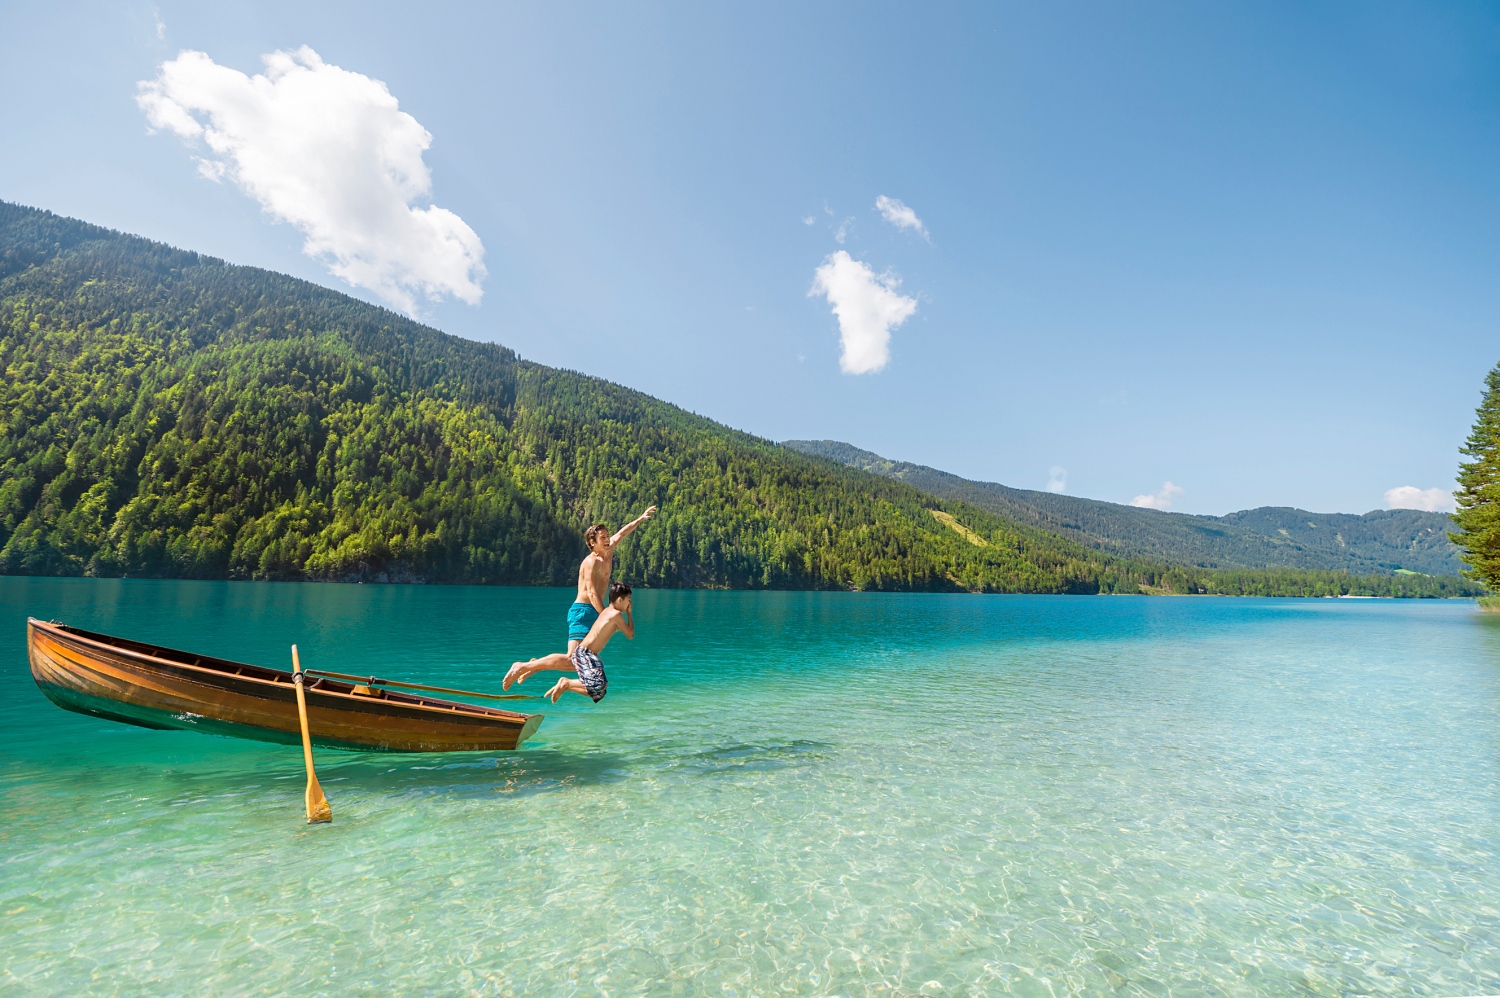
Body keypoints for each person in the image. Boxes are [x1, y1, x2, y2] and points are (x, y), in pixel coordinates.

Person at [504, 582, 635, 703]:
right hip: (585, 653)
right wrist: (629, 614)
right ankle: (564, 682)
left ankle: (566, 684)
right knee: (598, 684)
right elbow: (630, 635)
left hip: (589, 654)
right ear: (619, 600)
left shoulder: (606, 612)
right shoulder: (616, 615)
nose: (629, 603)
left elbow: (612, 629)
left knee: (600, 692)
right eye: (628, 600)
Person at [564, 506, 656, 655]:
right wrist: (606, 615)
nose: (607, 539)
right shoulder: (591, 562)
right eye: (603, 538)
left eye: (607, 536)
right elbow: (592, 593)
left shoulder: (609, 550)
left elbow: (623, 532)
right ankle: (528, 666)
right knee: (573, 658)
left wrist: (640, 518)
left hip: (596, 610)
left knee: (586, 658)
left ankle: (543, 669)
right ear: (592, 542)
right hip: (583, 610)